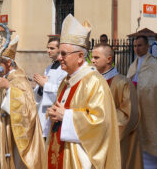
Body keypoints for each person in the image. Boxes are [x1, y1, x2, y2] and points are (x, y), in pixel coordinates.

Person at [45, 14, 121, 168]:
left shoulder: (94, 82)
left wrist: (65, 116)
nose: (59, 57)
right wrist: (53, 113)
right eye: (59, 53)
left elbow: (101, 123)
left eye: (64, 53)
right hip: (60, 153)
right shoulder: (67, 81)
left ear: (80, 57)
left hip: (79, 158)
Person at [0, 35, 45, 168]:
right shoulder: (3, 79)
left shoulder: (19, 81)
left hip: (13, 144)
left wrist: (9, 88)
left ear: (8, 63)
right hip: (0, 139)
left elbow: (29, 111)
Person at [92, 43, 143, 169]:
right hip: (94, 138)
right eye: (92, 57)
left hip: (118, 140)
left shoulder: (123, 82)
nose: (92, 60)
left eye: (96, 58)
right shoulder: (93, 81)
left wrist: (101, 124)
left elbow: (129, 114)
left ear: (109, 59)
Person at [127, 36, 157, 169]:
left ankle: (156, 164)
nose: (137, 49)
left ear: (147, 46)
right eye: (135, 46)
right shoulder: (133, 65)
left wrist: (139, 88)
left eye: (140, 45)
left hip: (151, 108)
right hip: (136, 107)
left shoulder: (154, 65)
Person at [34, 37, 67, 138]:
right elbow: (40, 94)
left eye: (52, 48)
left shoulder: (64, 69)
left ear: (59, 49)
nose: (48, 51)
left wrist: (44, 85)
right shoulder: (48, 68)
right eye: (48, 48)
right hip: (43, 113)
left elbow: (62, 92)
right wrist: (40, 86)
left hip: (55, 114)